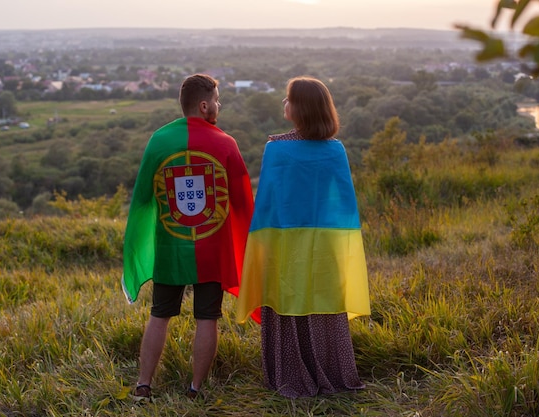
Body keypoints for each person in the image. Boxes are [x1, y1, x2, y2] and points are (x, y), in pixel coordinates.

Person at [122, 74, 254, 401]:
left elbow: (141, 198)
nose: (219, 106)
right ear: (205, 104)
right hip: (211, 249)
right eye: (218, 100)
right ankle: (195, 389)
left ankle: (143, 385)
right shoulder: (226, 143)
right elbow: (242, 203)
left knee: (159, 315)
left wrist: (140, 243)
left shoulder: (159, 141)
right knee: (207, 318)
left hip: (170, 246)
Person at [236, 76, 370, 398]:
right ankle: (332, 372)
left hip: (284, 247)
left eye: (288, 99)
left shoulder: (277, 150)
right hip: (325, 246)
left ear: (302, 108)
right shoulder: (335, 151)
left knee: (287, 299)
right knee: (324, 304)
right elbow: (342, 205)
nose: (284, 104)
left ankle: (290, 373)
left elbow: (267, 206)